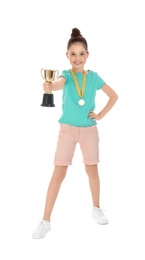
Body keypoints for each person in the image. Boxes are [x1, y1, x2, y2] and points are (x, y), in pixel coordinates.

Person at [32, 28, 118, 239]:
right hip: (67, 131)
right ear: (67, 55)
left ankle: (96, 208)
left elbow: (114, 96)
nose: (77, 58)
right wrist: (49, 86)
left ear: (88, 55)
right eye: (73, 54)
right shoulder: (66, 76)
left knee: (92, 170)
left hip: (89, 130)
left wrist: (100, 115)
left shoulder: (94, 77)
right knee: (58, 173)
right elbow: (59, 84)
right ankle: (45, 220)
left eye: (81, 54)